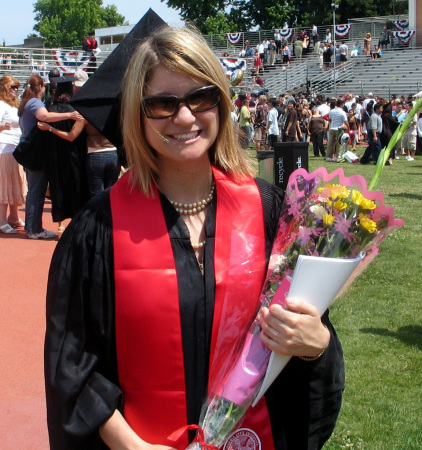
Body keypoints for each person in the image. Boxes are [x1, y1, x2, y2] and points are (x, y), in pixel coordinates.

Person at [45, 26, 343, 450]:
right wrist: (131, 446)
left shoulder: (271, 212)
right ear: (136, 113)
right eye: (162, 104)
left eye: (200, 97)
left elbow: (310, 338)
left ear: (220, 102)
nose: (184, 118)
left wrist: (316, 345)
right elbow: (71, 364)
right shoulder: (97, 230)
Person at [17, 74, 83, 239]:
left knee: (40, 191)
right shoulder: (38, 104)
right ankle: (33, 229)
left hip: (47, 155)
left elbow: (46, 118)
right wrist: (71, 115)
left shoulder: (46, 105)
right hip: (50, 155)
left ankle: (40, 227)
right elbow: (44, 117)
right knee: (37, 192)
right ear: (40, 87)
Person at [36, 76, 90, 235]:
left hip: (56, 153)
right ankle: (75, 221)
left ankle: (60, 224)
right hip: (75, 153)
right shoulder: (76, 109)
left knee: (58, 186)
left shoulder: (51, 110)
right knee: (76, 185)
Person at [0, 76, 26, 233]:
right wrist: (2, 126)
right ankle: (2, 220)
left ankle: (14, 217)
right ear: (4, 88)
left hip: (15, 149)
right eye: (12, 87)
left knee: (15, 182)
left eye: (16, 87)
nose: (15, 90)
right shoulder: (1, 104)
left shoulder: (13, 105)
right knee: (4, 185)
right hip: (4, 149)